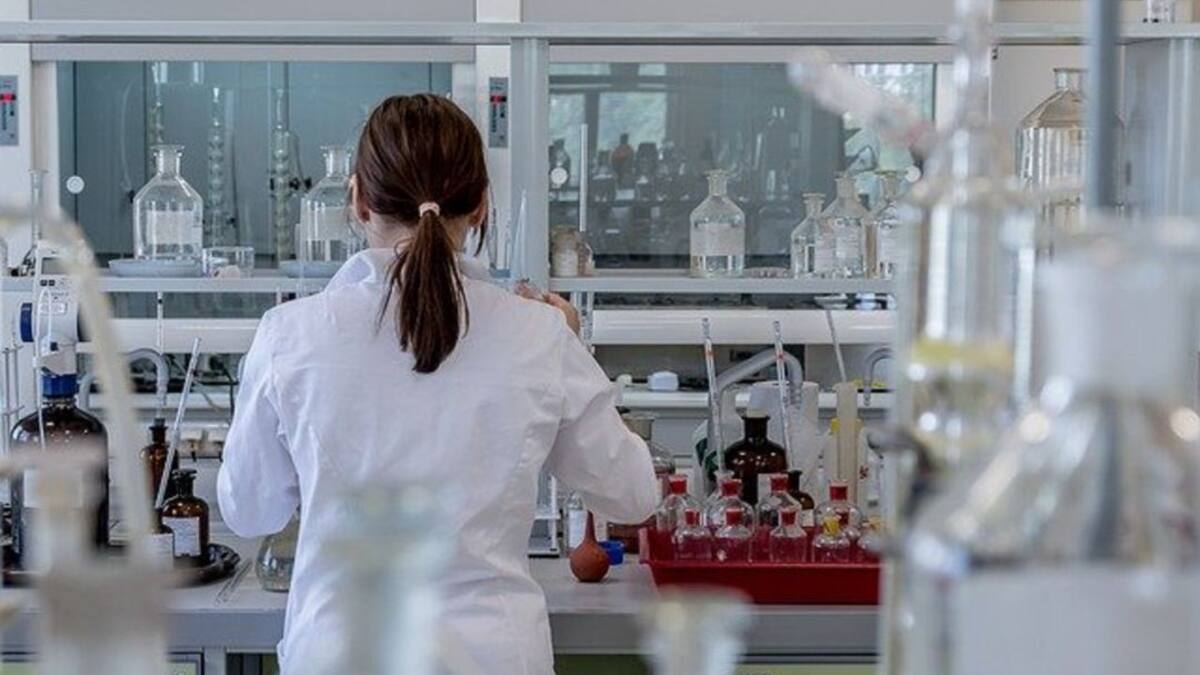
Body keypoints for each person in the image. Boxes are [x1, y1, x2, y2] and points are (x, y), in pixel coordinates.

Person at [217, 94, 659, 674]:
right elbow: (633, 496)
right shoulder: (539, 334)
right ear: (480, 205)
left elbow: (249, 513)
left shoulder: (290, 335)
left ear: (358, 199)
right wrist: (575, 350)